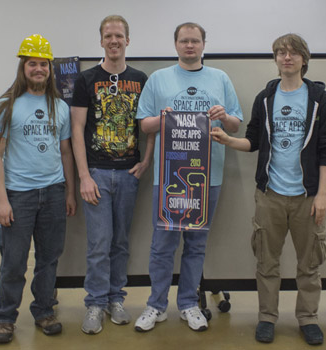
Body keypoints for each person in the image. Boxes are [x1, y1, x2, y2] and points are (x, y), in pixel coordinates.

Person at [211, 33, 326, 345]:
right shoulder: (266, 97)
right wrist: (230, 141)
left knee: (308, 264)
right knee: (267, 262)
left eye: (293, 53)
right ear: (276, 59)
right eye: (281, 52)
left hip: (307, 197)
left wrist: (322, 194)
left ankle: (308, 318)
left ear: (304, 59)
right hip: (269, 196)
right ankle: (267, 317)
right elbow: (253, 140)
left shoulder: (320, 100)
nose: (287, 57)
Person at [134, 22, 243, 333]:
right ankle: (156, 305)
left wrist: (224, 117)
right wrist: (164, 118)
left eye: (195, 41)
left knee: (196, 243)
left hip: (208, 176)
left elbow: (235, 125)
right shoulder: (159, 79)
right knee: (162, 244)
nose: (190, 46)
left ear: (203, 44)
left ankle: (188, 304)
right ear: (176, 45)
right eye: (184, 41)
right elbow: (144, 125)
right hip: (168, 177)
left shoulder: (220, 78)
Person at [0, 34, 76, 344]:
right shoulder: (5, 104)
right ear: (23, 67)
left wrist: (68, 192)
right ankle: (4, 317)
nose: (39, 69)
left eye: (43, 64)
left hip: (53, 192)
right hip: (18, 195)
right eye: (32, 63)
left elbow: (66, 152)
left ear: (50, 69)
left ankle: (44, 310)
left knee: (49, 259)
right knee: (13, 261)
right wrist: (1, 200)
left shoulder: (59, 106)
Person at [71, 15, 154, 334]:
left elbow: (149, 127)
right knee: (99, 242)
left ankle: (115, 300)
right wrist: (83, 176)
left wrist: (145, 161)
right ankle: (94, 302)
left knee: (120, 242)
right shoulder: (86, 79)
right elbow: (77, 130)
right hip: (97, 173)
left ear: (127, 40)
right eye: (108, 36)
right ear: (101, 41)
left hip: (129, 173)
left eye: (119, 35)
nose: (114, 40)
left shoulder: (141, 79)